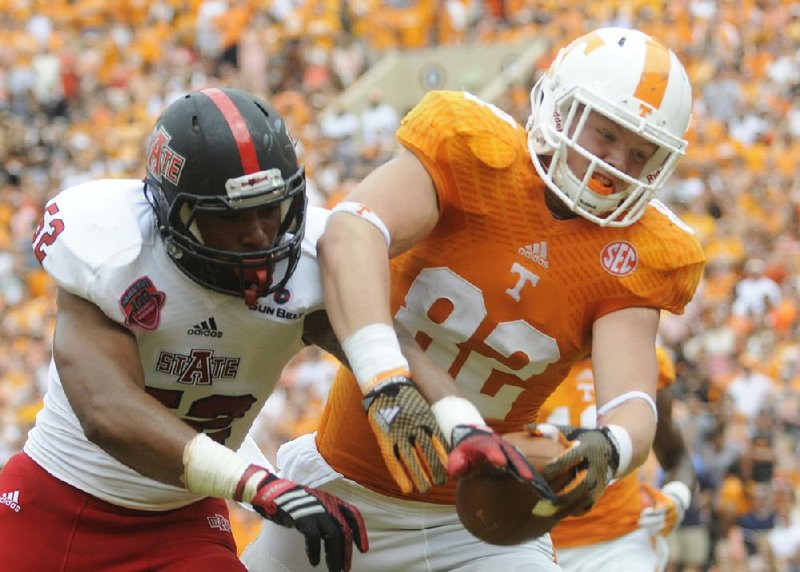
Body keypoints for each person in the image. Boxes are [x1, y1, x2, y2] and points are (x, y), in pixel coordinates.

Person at [243, 27, 706, 570]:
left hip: (473, 524)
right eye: (605, 135)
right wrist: (383, 378)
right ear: (561, 108)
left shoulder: (639, 255)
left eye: (639, 152)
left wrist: (614, 448)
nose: (614, 164)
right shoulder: (475, 157)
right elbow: (351, 231)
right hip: (341, 485)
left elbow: (634, 407)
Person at [0, 87, 371, 572]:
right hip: (56, 505)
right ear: (174, 215)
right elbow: (106, 412)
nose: (259, 234)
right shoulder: (115, 250)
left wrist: (453, 420)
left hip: (182, 521)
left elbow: (390, 356)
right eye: (230, 214)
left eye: (269, 209)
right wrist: (258, 482)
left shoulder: (312, 267)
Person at [537, 348, 696, 571]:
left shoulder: (640, 360)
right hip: (535, 539)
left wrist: (676, 497)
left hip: (621, 541)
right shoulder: (521, 361)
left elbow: (676, 456)